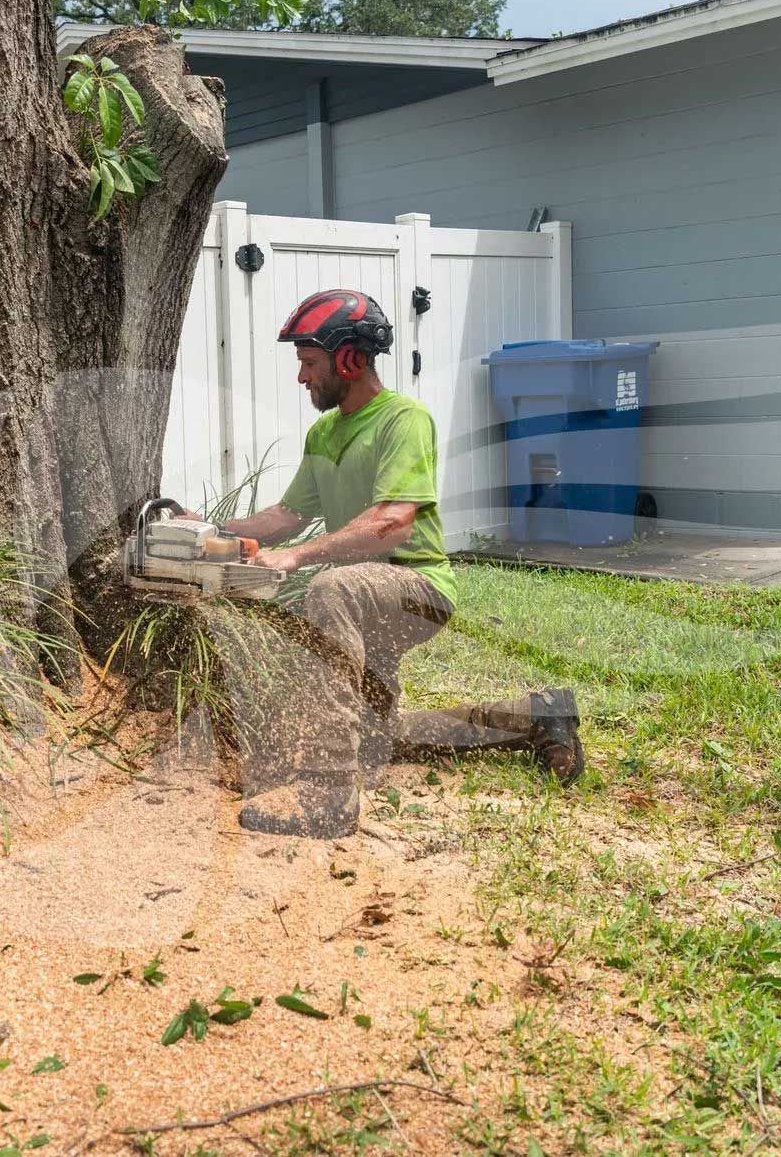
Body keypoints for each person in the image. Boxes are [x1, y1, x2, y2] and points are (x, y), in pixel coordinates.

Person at [205, 288, 585, 839]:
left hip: (416, 588)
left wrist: (299, 558)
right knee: (382, 740)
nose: (301, 377)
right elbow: (287, 515)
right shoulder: (324, 433)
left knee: (329, 589)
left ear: (350, 360)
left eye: (310, 363)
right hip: (367, 597)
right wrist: (212, 531)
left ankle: (328, 794)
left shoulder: (404, 419)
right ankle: (537, 715)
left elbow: (392, 522)